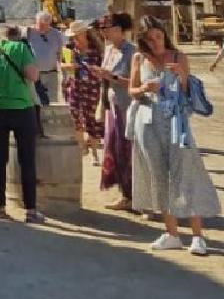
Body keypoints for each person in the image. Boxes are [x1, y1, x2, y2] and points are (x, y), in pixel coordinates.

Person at [129, 18, 218, 256]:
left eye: (158, 36)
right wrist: (145, 88)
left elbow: (188, 93)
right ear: (143, 40)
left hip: (176, 122)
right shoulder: (138, 58)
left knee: (185, 174)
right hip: (148, 122)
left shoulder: (178, 56)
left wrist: (182, 77)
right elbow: (132, 90)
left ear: (164, 34)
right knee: (158, 176)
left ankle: (198, 236)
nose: (155, 42)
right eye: (149, 38)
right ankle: (172, 233)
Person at [0, 27, 45, 223]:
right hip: (22, 109)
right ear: (17, 37)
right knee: (27, 160)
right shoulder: (21, 49)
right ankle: (31, 211)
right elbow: (33, 76)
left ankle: (0, 208)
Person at [95, 13, 135, 210]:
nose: (104, 32)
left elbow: (138, 83)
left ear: (120, 30)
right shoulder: (109, 50)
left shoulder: (132, 52)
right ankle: (125, 195)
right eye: (103, 29)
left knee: (130, 153)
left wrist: (113, 77)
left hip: (128, 108)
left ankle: (137, 197)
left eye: (108, 28)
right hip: (112, 106)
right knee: (114, 150)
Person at [59, 20, 103, 164]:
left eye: (77, 34)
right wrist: (71, 65)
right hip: (74, 87)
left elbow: (102, 70)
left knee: (91, 119)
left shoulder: (96, 50)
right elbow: (62, 64)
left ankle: (95, 153)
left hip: (92, 88)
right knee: (74, 117)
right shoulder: (69, 49)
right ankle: (82, 147)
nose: (75, 38)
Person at [26, 12, 62, 134]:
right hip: (36, 74)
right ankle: (37, 128)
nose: (44, 27)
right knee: (36, 101)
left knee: (51, 101)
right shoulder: (29, 33)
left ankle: (50, 129)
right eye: (41, 25)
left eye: (46, 25)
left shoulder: (56, 34)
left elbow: (60, 53)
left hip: (52, 73)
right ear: (36, 23)